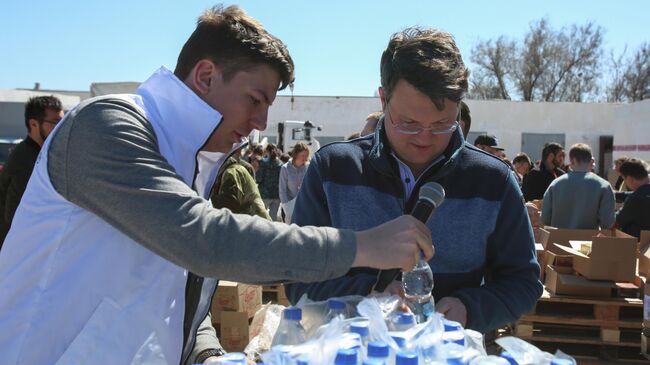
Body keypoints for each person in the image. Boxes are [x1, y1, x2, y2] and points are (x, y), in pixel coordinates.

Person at [0, 6, 432, 365]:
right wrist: (361, 246)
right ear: (205, 76)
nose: (261, 122)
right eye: (256, 100)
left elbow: (176, 279)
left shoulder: (194, 154)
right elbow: (201, 241)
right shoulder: (106, 125)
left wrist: (204, 351)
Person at [284, 27, 542, 334]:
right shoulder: (332, 169)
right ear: (383, 99)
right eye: (408, 123)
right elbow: (298, 277)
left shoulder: (494, 180)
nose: (424, 138)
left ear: (459, 108)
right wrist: (368, 296)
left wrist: (469, 309)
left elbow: (523, 283)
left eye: (441, 124)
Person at [0, 95, 63, 248]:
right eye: (55, 122)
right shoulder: (26, 159)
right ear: (34, 124)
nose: (61, 128)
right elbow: (16, 215)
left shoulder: (39, 154)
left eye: (63, 122)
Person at [541, 143, 615, 229]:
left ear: (571, 161)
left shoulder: (555, 184)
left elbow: (545, 218)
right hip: (588, 241)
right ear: (591, 161)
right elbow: (607, 223)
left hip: (558, 240)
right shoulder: (604, 186)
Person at [615, 158, 650, 238]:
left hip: (638, 246)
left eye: (624, 179)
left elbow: (617, 222)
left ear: (630, 179)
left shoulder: (635, 199)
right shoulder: (641, 195)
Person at [278, 142, 310, 223]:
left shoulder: (308, 167)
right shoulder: (285, 168)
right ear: (296, 154)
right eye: (303, 155)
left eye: (306, 156)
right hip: (289, 206)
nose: (305, 158)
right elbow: (282, 191)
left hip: (305, 205)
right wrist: (287, 207)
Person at [257, 143, 282, 220]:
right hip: (276, 194)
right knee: (273, 218)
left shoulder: (262, 162)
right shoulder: (280, 164)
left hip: (264, 194)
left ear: (266, 151)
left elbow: (259, 178)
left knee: (261, 217)